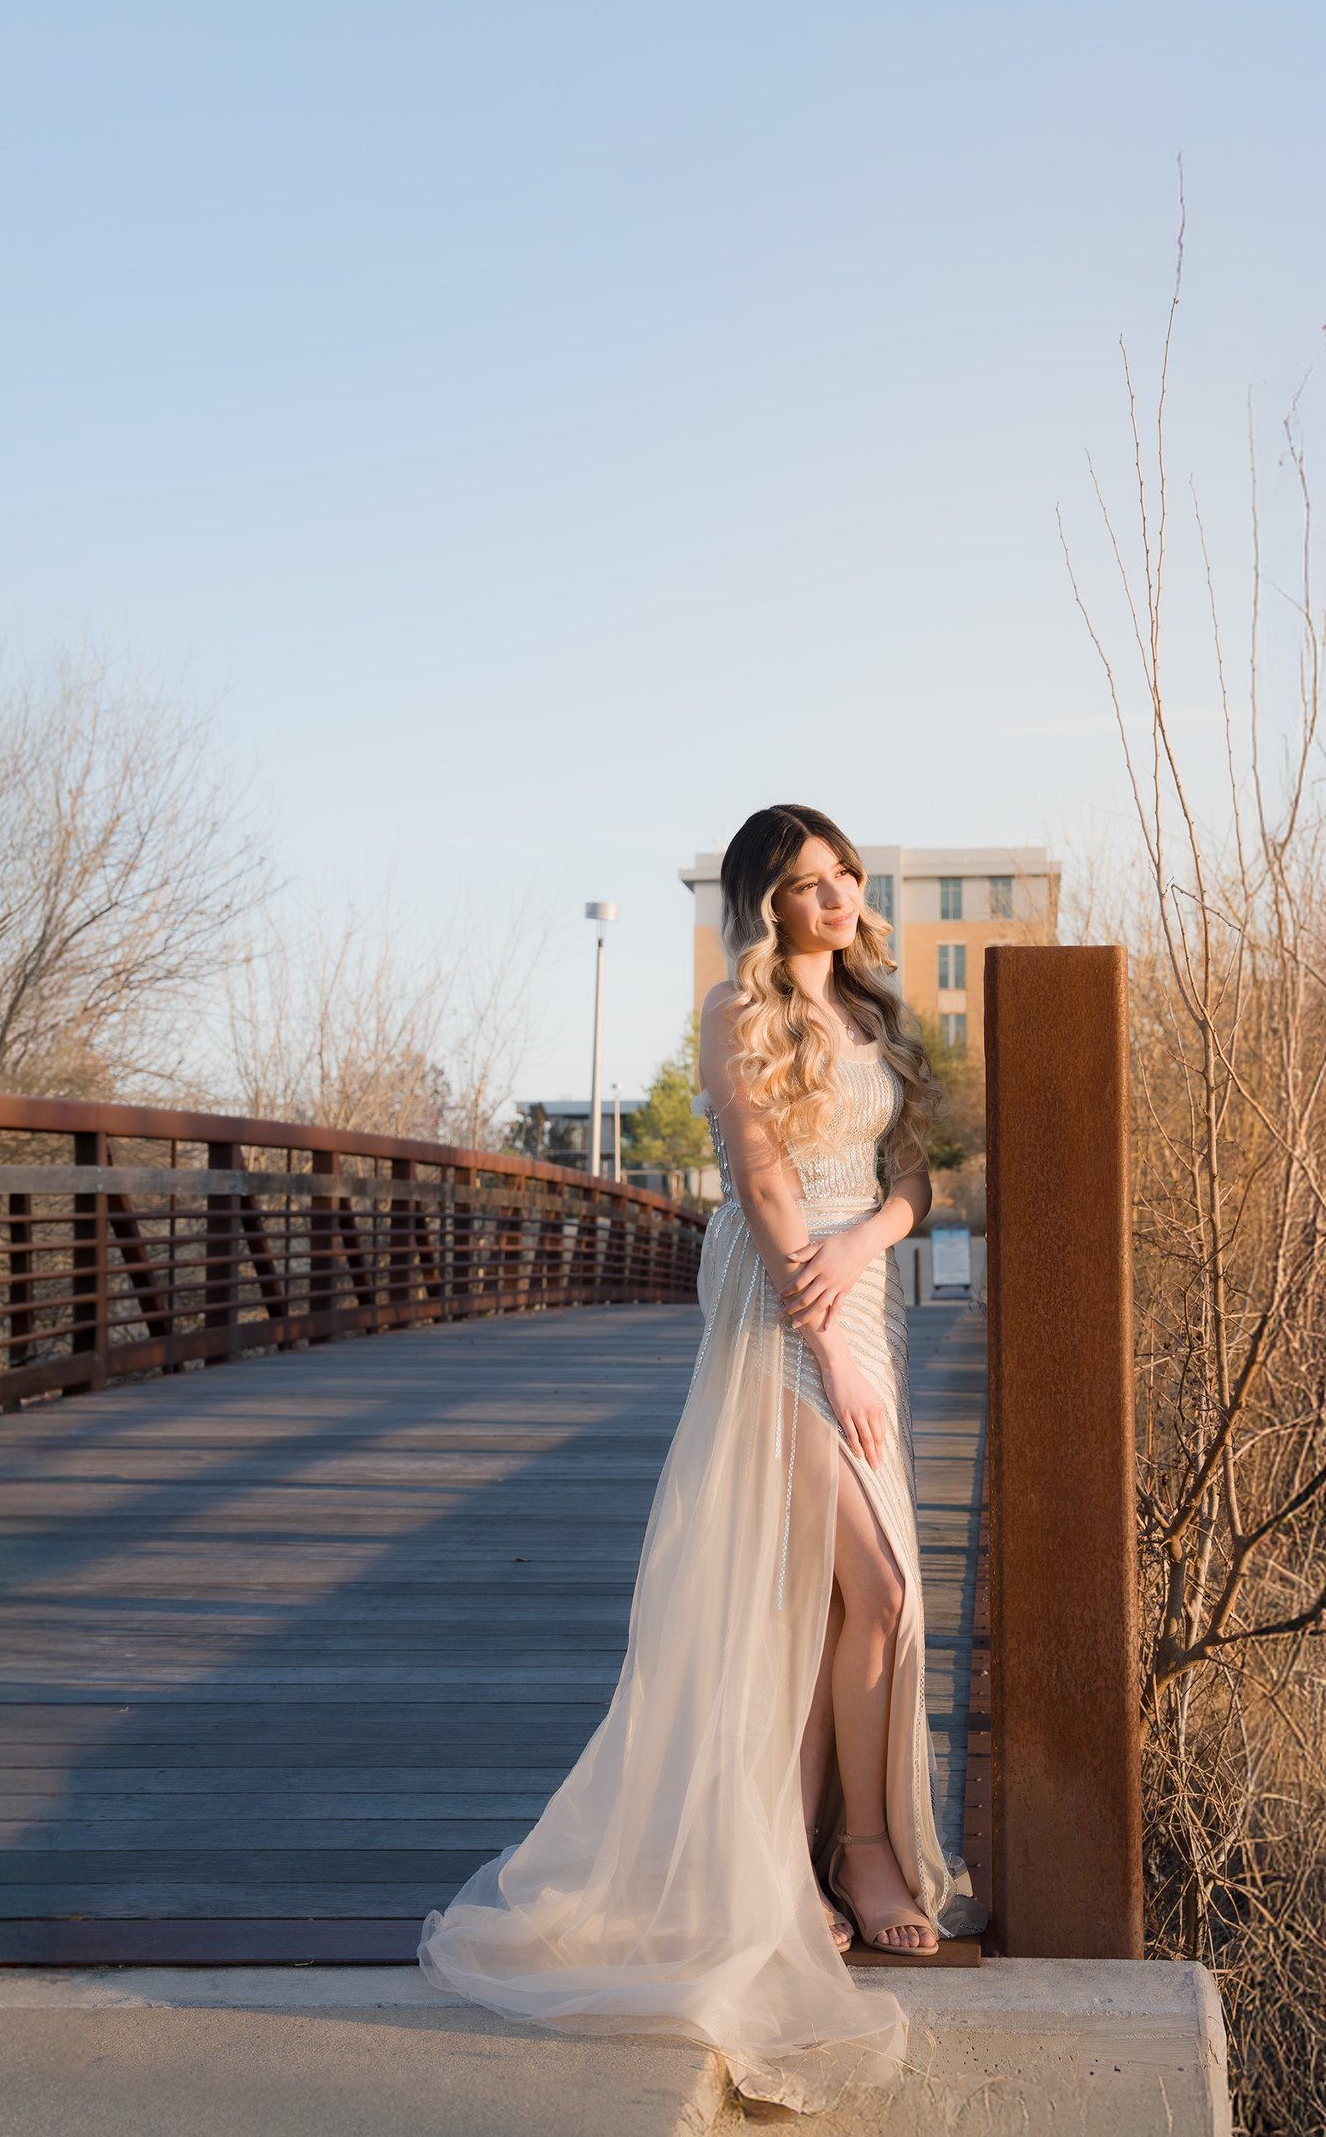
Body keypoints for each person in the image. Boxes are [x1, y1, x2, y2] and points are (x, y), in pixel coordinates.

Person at [418, 803, 986, 2113]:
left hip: (860, 1294)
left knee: (850, 1590)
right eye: (809, 884)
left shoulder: (879, 1011)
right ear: (766, 905)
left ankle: (826, 1853)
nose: (839, 898)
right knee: (881, 1585)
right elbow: (767, 1182)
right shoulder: (740, 1020)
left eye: (846, 876)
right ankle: (850, 1856)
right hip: (778, 1309)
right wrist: (828, 1325)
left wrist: (874, 1245)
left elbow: (915, 1171)